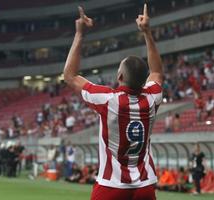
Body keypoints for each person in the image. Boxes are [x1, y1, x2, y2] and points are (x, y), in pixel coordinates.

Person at [63, 4, 163, 200]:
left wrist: (80, 34)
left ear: (119, 76)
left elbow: (70, 76)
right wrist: (147, 33)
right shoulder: (153, 97)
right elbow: (157, 72)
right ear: (145, 80)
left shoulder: (108, 100)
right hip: (145, 186)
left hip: (112, 186)